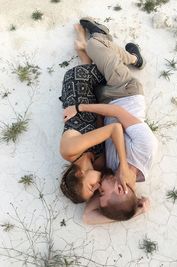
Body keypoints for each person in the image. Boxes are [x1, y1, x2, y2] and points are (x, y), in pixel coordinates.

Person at [63, 18, 158, 223]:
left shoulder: (110, 171)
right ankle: (133, 58)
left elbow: (88, 217)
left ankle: (89, 46)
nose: (99, 193)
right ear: (121, 188)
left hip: (102, 100)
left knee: (86, 58)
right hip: (124, 90)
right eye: (102, 194)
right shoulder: (146, 150)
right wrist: (80, 108)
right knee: (94, 45)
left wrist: (135, 212)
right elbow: (116, 112)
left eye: (98, 195)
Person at [59, 24, 132, 204]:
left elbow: (114, 128)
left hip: (77, 82)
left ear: (79, 173)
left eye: (91, 187)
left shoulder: (69, 151)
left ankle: (129, 56)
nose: (98, 187)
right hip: (91, 98)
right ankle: (82, 48)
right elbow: (90, 215)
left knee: (118, 72)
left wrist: (123, 166)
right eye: (96, 192)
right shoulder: (98, 163)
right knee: (101, 84)